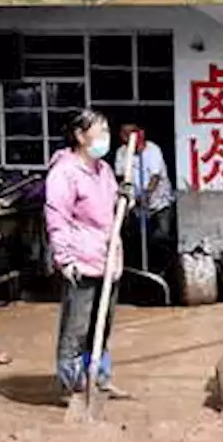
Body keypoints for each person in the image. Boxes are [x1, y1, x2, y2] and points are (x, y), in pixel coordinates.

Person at [45, 109, 131, 401]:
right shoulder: (64, 172)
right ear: (81, 136)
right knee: (76, 330)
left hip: (108, 260)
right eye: (100, 131)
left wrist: (125, 198)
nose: (105, 137)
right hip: (80, 261)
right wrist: (64, 259)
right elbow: (57, 219)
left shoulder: (104, 171)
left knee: (100, 328)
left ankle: (99, 379)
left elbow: (110, 212)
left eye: (107, 130)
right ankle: (71, 387)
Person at [114, 123, 175, 271]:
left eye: (130, 133)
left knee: (162, 236)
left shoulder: (153, 150)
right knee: (138, 237)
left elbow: (155, 176)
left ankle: (162, 269)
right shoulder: (121, 152)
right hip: (137, 203)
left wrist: (146, 194)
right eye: (123, 133)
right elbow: (121, 177)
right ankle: (141, 269)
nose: (125, 137)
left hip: (159, 201)